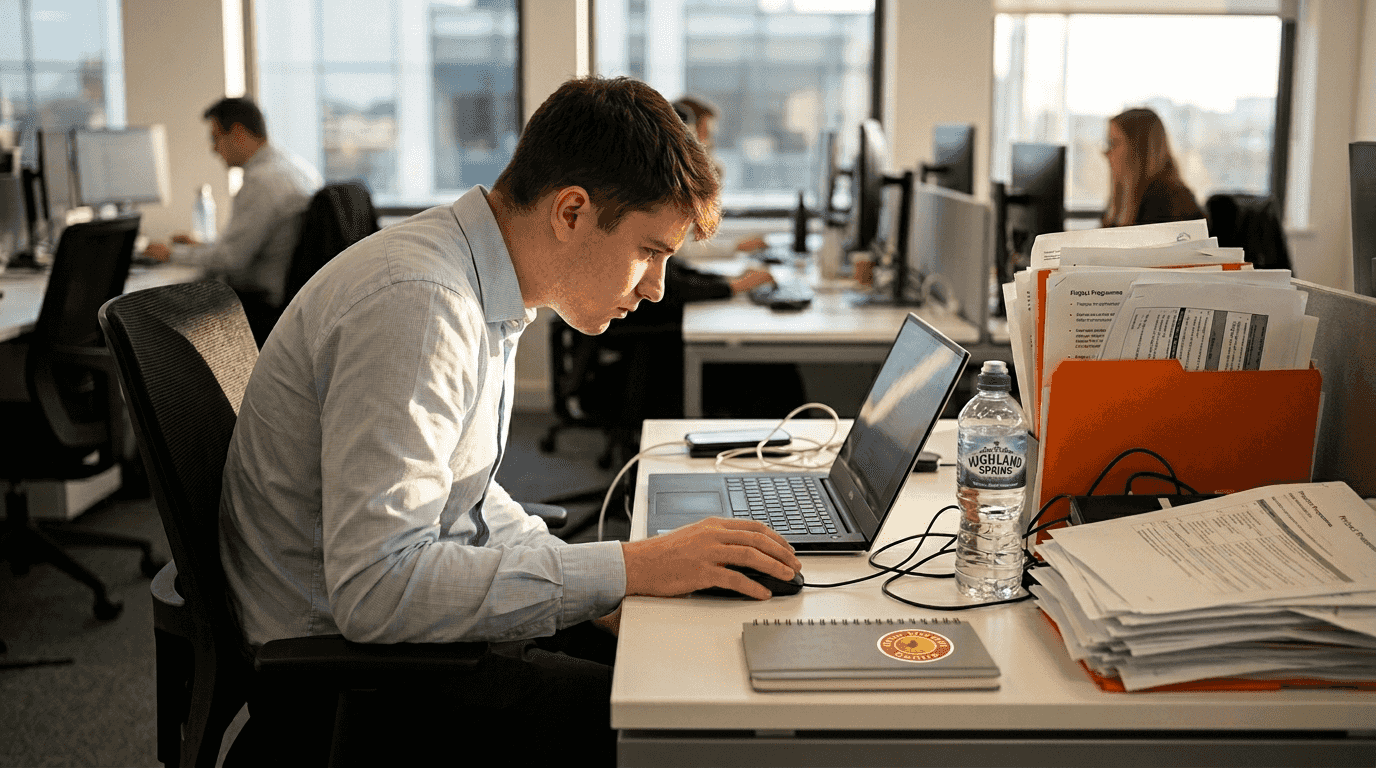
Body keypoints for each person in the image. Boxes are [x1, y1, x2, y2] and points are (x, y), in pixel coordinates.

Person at [217, 76, 802, 764]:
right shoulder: (421, 305)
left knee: (679, 654)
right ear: (573, 211)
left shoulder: (472, 279)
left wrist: (603, 585)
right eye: (649, 252)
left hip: (388, 641)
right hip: (352, 680)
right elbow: (375, 592)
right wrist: (625, 568)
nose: (655, 287)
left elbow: (464, 495)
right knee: (680, 726)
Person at [144, 96, 321, 344]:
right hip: (291, 302)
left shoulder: (262, 181)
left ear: (237, 133)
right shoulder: (295, 168)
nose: (213, 149)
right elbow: (246, 246)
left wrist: (170, 254)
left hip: (260, 305)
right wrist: (200, 247)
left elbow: (231, 259)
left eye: (215, 138)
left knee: (152, 314)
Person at [1101, 107, 1205, 228]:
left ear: (1139, 150)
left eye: (1114, 143)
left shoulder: (1169, 204)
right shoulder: (1120, 201)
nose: (1106, 152)